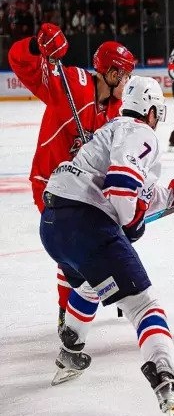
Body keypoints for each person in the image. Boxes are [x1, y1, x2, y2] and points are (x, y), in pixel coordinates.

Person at [39, 76, 174, 416]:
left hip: (54, 223)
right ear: (151, 111)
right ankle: (167, 383)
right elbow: (121, 188)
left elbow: (137, 189)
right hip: (86, 223)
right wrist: (131, 224)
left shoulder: (112, 130)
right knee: (144, 305)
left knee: (91, 282)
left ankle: (70, 349)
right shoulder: (140, 131)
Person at [8, 23, 135, 333]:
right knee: (71, 246)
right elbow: (20, 62)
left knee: (107, 238)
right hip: (50, 183)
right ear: (112, 74)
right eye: (125, 75)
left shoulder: (116, 111)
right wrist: (37, 47)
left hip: (85, 188)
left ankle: (107, 289)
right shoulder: (72, 85)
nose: (128, 81)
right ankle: (67, 312)